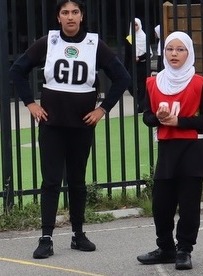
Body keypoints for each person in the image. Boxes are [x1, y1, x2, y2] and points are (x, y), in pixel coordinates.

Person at [9, 0, 130, 259]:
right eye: (65, 13)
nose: (70, 17)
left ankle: (78, 234)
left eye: (75, 12)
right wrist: (30, 103)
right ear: (59, 17)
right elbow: (17, 71)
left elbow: (123, 78)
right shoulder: (47, 42)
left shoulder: (95, 45)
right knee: (51, 181)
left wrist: (103, 109)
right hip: (52, 126)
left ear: (82, 16)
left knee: (77, 182)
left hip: (81, 126)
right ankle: (46, 238)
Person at [137, 31, 203, 270]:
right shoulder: (153, 82)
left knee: (189, 204)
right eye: (170, 49)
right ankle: (166, 248)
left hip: (192, 149)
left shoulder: (198, 83)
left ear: (188, 53)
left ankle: (184, 250)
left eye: (180, 49)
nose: (174, 53)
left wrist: (179, 121)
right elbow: (147, 116)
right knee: (161, 204)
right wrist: (159, 119)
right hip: (168, 149)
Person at [124, 18, 149, 108]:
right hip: (132, 66)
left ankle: (141, 105)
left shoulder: (144, 37)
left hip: (142, 65)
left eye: (136, 24)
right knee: (130, 85)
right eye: (133, 25)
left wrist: (139, 58)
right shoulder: (129, 38)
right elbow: (127, 55)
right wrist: (125, 68)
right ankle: (140, 101)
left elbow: (148, 53)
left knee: (142, 85)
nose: (134, 27)